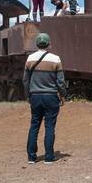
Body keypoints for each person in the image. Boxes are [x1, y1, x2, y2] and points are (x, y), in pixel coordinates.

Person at [24, 33, 65, 163]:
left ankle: (31, 157)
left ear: (37, 44)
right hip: (51, 97)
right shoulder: (56, 59)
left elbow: (25, 80)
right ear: (49, 44)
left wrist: (28, 95)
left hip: (35, 96)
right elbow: (61, 81)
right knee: (49, 126)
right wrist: (63, 95)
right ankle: (49, 157)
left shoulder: (30, 58)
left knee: (34, 125)